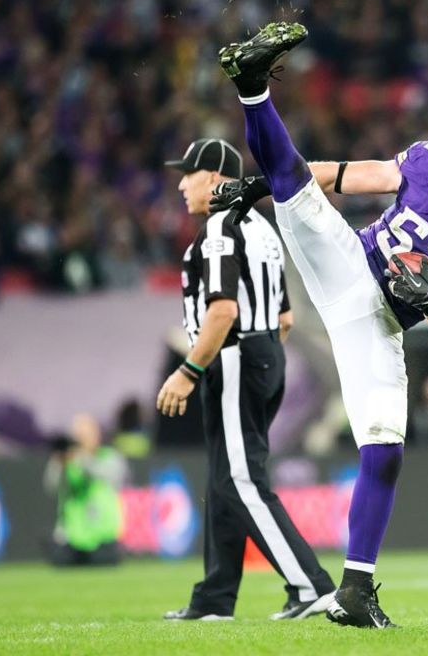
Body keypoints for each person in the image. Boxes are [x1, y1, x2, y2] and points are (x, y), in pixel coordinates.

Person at [212, 22, 428, 628]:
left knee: (385, 444)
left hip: (383, 317)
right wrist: (268, 180)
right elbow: (342, 175)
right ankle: (253, 86)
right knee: (298, 189)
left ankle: (356, 590)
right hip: (348, 267)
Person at [156, 137, 337, 622]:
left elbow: (222, 311)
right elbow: (284, 317)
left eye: (188, 173)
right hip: (262, 353)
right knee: (223, 480)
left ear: (214, 178)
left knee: (239, 478)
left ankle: (310, 584)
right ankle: (214, 599)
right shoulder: (260, 228)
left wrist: (189, 370)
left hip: (234, 355)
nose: (180, 184)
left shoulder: (219, 227)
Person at [44, 415, 125, 566]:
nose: (81, 441)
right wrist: (61, 464)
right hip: (72, 537)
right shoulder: (66, 461)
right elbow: (52, 487)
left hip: (103, 536)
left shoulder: (109, 457)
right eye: (78, 437)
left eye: (85, 436)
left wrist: (82, 458)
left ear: (97, 436)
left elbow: (112, 476)